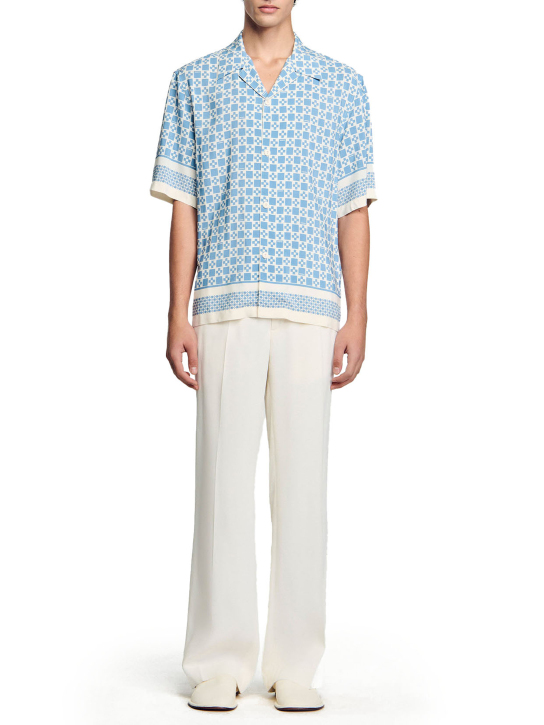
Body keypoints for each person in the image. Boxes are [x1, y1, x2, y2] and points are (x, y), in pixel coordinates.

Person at [150, 0, 376, 712]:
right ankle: (218, 660)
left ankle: (294, 662)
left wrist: (358, 313)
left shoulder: (342, 86)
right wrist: (177, 311)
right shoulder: (195, 82)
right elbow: (183, 205)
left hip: (311, 306)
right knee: (221, 486)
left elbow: (353, 208)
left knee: (303, 488)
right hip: (223, 303)